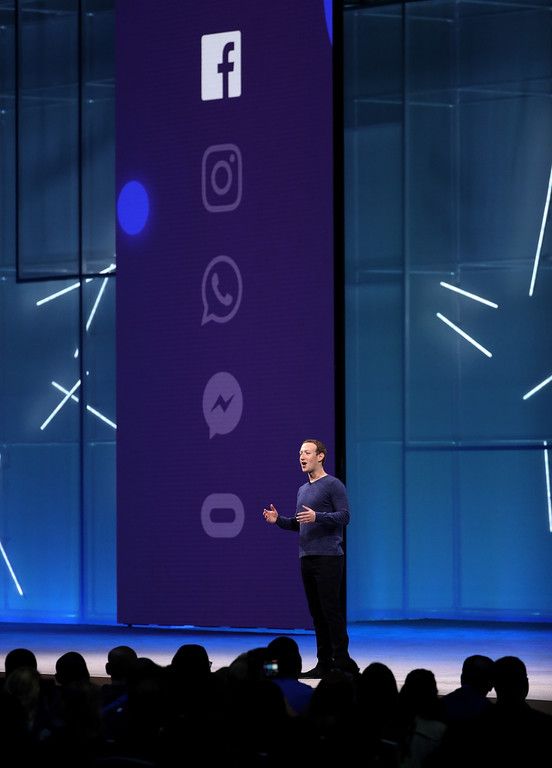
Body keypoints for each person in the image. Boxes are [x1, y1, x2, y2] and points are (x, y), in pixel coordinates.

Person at [263, 438, 358, 678]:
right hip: (307, 557)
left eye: (307, 452)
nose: (302, 457)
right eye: (300, 454)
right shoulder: (302, 490)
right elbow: (300, 523)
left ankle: (342, 662)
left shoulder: (333, 485)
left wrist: (319, 516)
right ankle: (324, 663)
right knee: (317, 613)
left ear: (320, 456)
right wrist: (278, 520)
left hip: (329, 557)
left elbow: (345, 517)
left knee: (331, 611)